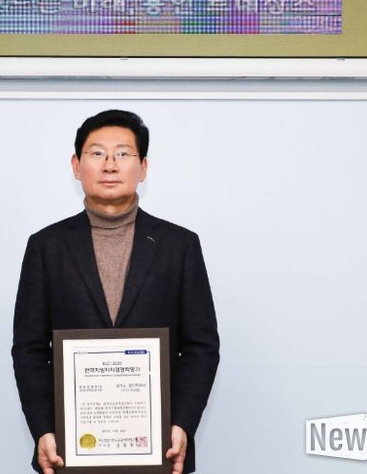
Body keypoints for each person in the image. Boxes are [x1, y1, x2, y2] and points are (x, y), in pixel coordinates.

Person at [12, 109, 219, 474]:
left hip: (159, 448)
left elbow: (201, 346)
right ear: (76, 166)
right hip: (68, 450)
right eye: (97, 153)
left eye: (123, 153)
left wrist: (182, 424)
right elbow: (29, 348)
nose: (110, 165)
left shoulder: (180, 246)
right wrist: (44, 429)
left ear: (143, 167)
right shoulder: (46, 246)